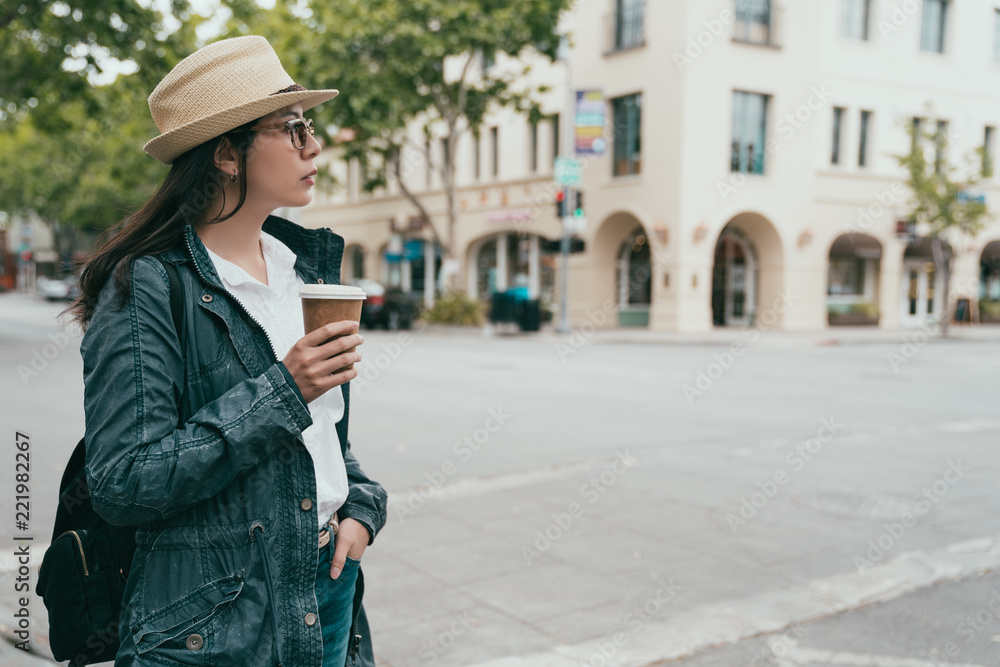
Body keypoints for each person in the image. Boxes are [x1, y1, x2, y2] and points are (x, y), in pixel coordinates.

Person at [64, 35, 387, 667]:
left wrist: (361, 507)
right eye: (291, 128)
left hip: (329, 587)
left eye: (310, 126)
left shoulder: (306, 271)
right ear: (225, 153)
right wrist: (282, 390)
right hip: (212, 623)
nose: (313, 146)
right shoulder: (148, 285)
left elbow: (324, 442)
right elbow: (123, 481)